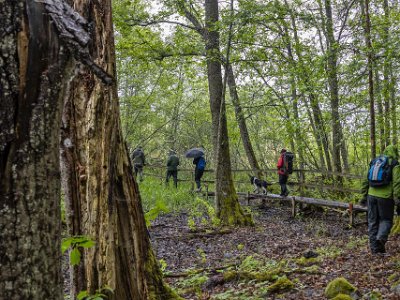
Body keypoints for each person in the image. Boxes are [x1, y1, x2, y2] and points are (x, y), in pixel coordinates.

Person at [361, 145, 400, 255]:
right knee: (386, 220)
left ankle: (375, 249)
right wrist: (398, 199)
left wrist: (364, 195)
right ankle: (381, 238)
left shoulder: (375, 161)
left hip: (371, 195)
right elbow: (397, 183)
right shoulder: (394, 163)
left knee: (372, 222)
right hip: (386, 197)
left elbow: (365, 179)